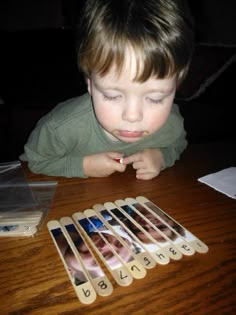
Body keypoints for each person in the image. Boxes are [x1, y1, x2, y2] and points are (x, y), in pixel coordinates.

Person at [20, 0, 194, 180]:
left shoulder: (172, 123)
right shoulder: (60, 129)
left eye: (156, 98)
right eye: (112, 96)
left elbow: (177, 144)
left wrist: (162, 156)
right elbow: (34, 161)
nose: (132, 116)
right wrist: (83, 166)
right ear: (90, 84)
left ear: (176, 87)